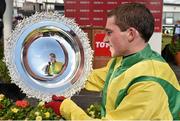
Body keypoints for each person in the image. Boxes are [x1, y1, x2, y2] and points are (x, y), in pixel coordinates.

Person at [45, 3, 180, 120]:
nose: (104, 39)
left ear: (131, 34)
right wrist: (60, 71)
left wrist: (65, 108)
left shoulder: (149, 83)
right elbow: (93, 78)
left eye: (109, 32)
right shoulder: (124, 61)